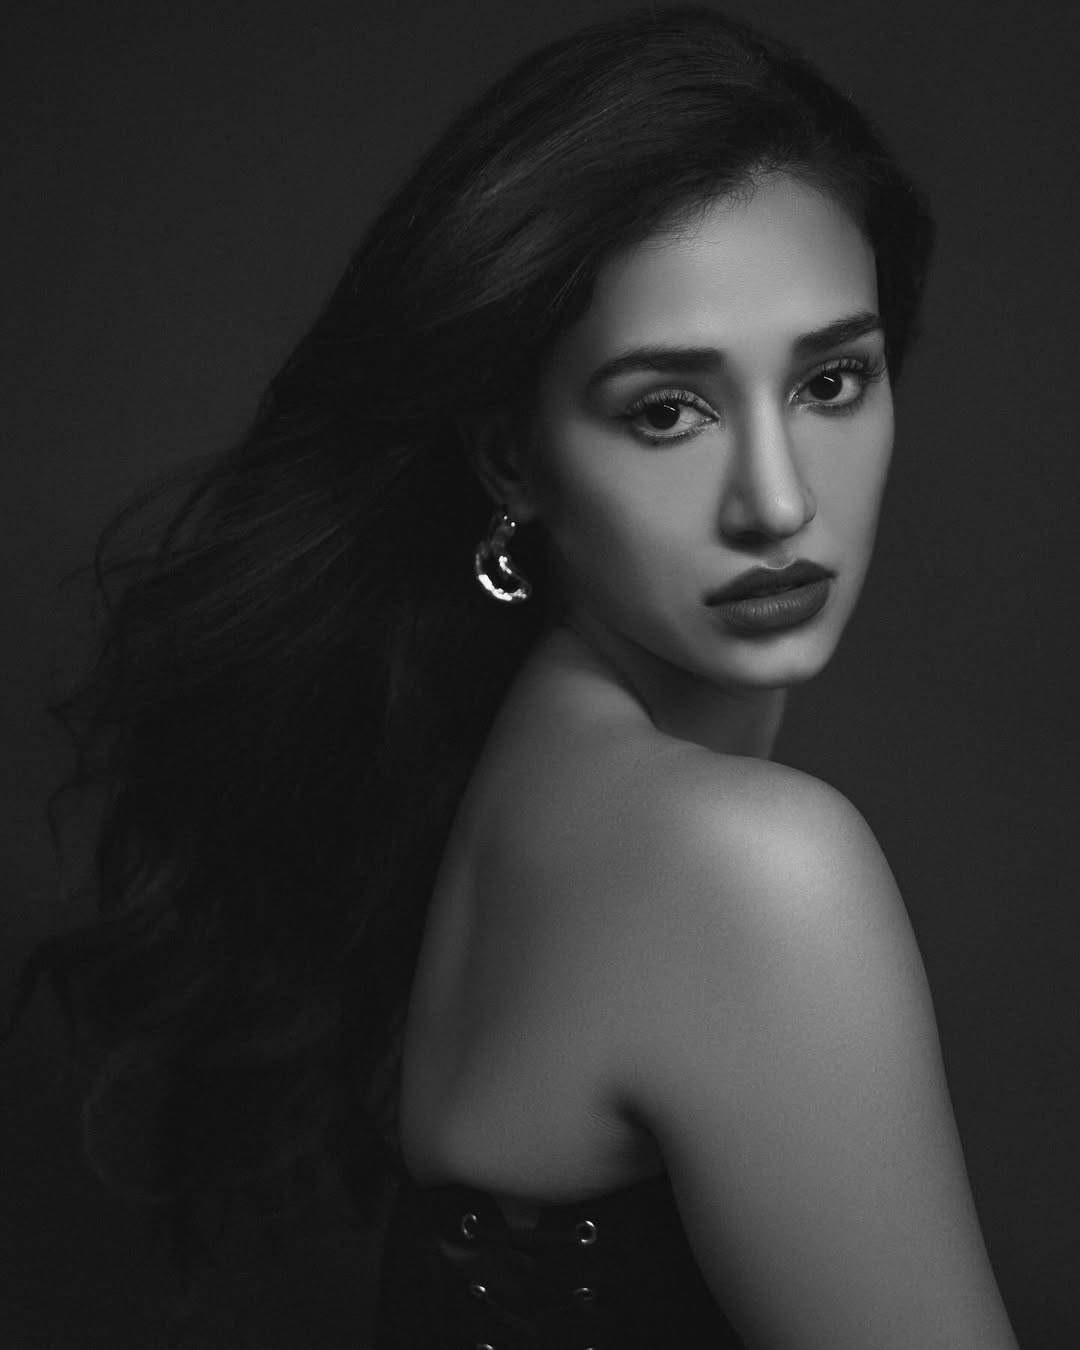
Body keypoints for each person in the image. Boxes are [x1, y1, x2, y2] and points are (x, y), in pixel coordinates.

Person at [14, 4, 1022, 1347]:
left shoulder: (526, 758)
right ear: (511, 458)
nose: (779, 502)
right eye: (666, 409)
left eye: (831, 381)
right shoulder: (746, 867)